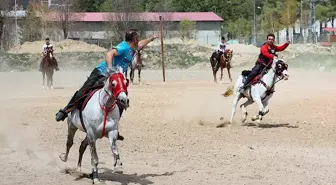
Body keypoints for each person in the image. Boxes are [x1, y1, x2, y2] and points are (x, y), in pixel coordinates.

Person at [55, 28, 158, 122]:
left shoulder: (132, 49)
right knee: (84, 91)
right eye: (138, 38)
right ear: (134, 39)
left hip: (115, 77)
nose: (139, 40)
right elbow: (109, 54)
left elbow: (141, 44)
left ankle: (113, 121)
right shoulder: (124, 47)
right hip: (101, 72)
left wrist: (151, 38)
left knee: (122, 97)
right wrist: (110, 69)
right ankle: (65, 111)